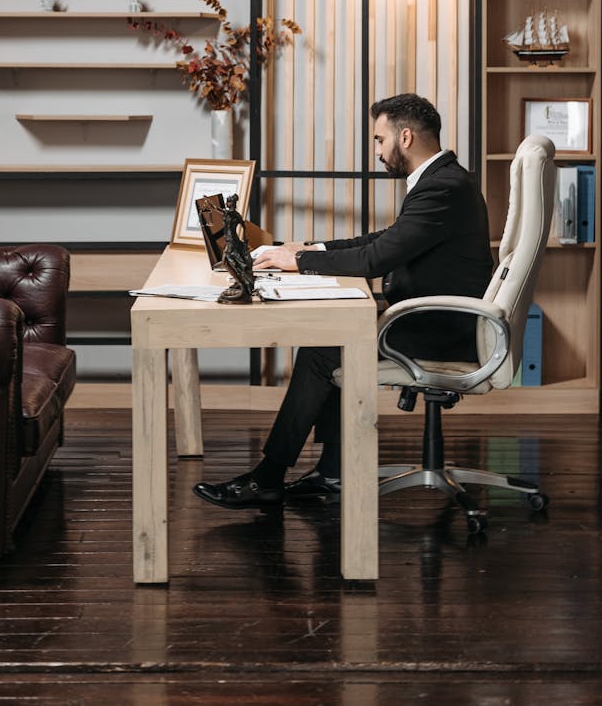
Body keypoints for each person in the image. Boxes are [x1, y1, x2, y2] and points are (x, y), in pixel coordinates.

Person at [193, 93, 494, 511]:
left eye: (379, 139)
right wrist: (308, 247)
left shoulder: (442, 187)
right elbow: (384, 240)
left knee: (323, 348)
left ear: (404, 137)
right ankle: (331, 472)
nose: (377, 151)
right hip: (435, 320)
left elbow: (377, 258)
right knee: (332, 338)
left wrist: (298, 261)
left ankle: (269, 477)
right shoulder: (443, 180)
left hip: (442, 332)